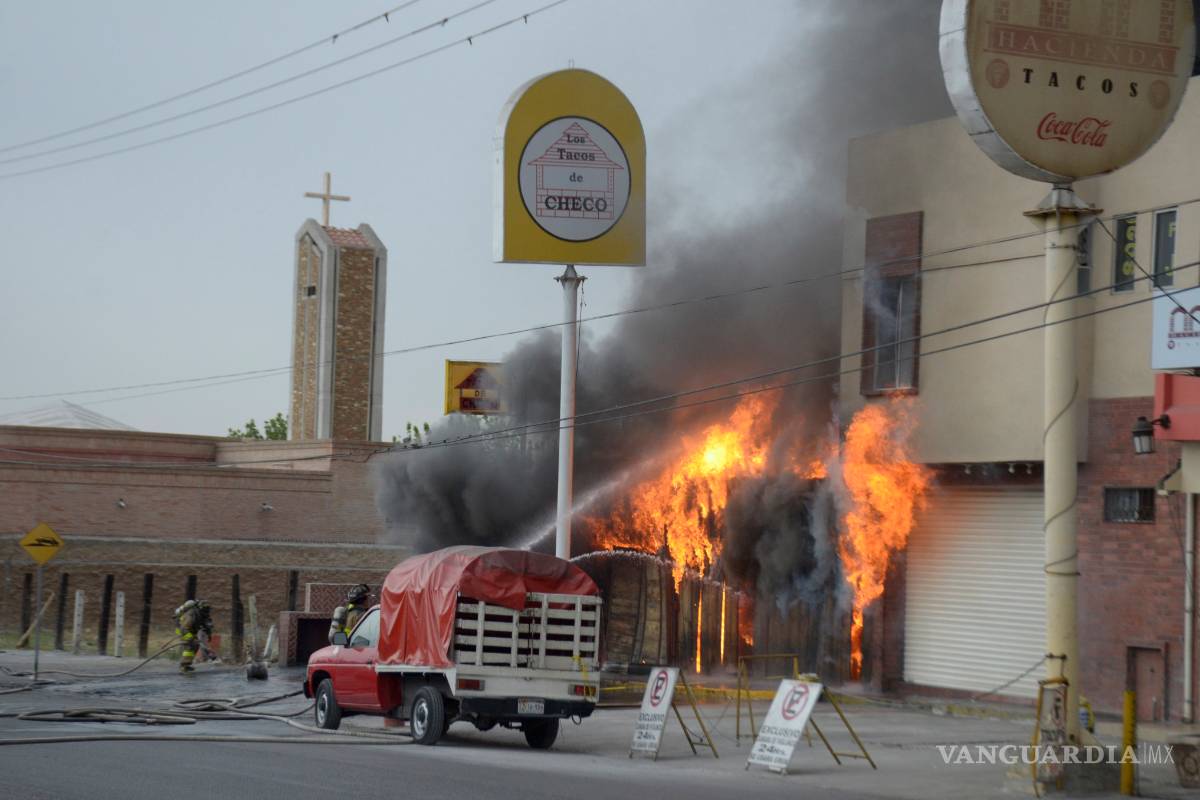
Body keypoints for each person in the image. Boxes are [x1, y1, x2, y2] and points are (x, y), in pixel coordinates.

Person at [175, 599, 214, 673]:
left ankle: (187, 664)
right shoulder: (192, 614)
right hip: (182, 630)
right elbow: (183, 629)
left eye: (207, 609)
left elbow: (206, 625)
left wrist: (209, 634)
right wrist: (190, 638)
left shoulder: (202, 614)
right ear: (200, 608)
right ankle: (184, 666)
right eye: (205, 608)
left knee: (196, 645)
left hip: (191, 630)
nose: (206, 610)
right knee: (189, 646)